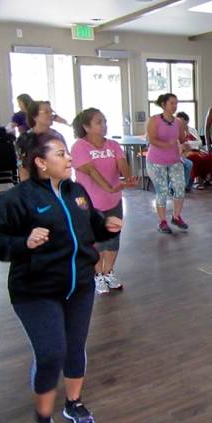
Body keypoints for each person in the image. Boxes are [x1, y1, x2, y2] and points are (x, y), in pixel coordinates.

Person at [0, 132, 122, 423]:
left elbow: (89, 228)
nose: (69, 158)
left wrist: (106, 228)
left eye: (66, 153)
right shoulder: (18, 199)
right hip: (35, 291)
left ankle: (73, 403)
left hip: (79, 287)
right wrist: (23, 243)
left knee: (75, 347)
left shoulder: (77, 192)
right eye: (60, 154)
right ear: (41, 162)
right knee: (51, 352)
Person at [71, 108, 136, 295]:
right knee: (96, 241)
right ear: (86, 127)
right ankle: (97, 274)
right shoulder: (79, 147)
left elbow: (122, 163)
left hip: (113, 200)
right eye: (99, 122)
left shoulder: (113, 145)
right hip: (90, 203)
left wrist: (128, 177)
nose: (104, 125)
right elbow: (90, 170)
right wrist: (107, 186)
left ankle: (109, 272)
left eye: (104, 121)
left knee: (113, 238)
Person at [146, 93, 188, 233]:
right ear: (163, 105)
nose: (175, 106)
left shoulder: (178, 122)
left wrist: (185, 142)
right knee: (162, 191)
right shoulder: (154, 120)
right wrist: (166, 144)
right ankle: (162, 221)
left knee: (180, 187)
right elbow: (151, 139)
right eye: (172, 103)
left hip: (174, 160)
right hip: (156, 161)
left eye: (176, 103)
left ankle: (176, 216)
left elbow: (182, 139)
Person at [17, 101, 67, 182]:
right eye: (46, 112)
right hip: (35, 184)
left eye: (52, 112)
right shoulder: (24, 139)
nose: (51, 115)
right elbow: (21, 166)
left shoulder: (58, 137)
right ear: (34, 116)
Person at [177, 111, 212, 190]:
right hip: (184, 152)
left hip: (195, 150)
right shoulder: (176, 131)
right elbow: (181, 144)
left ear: (186, 120)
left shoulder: (192, 130)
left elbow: (200, 142)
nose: (181, 122)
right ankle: (198, 181)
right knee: (195, 158)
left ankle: (207, 179)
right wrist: (189, 144)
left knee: (209, 157)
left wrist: (188, 143)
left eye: (183, 120)